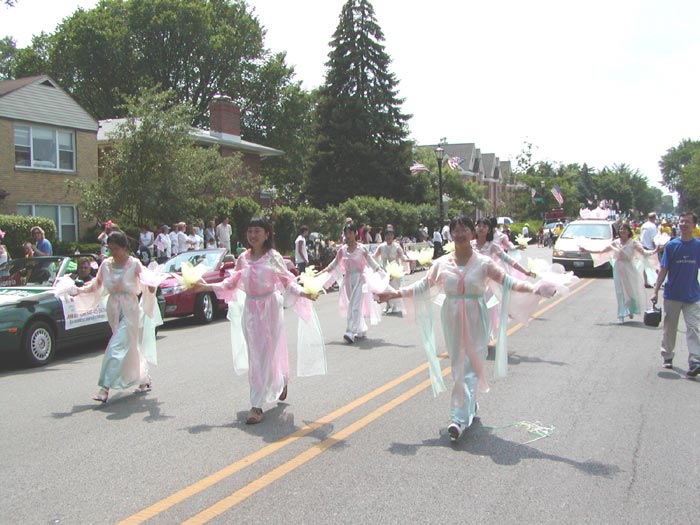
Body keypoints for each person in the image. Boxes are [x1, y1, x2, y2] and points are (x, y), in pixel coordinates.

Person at [376, 215, 557, 441]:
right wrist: (393, 294)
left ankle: (458, 419)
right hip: (452, 319)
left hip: (476, 318)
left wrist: (535, 289)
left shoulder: (484, 263)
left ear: (472, 233)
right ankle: (467, 407)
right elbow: (422, 286)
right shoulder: (442, 263)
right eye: (455, 230)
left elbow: (509, 282)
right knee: (458, 365)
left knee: (471, 365)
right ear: (450, 235)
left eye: (464, 229)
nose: (460, 234)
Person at [194, 217, 325, 425]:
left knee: (267, 353)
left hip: (270, 308)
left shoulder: (273, 257)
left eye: (257, 231)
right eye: (250, 231)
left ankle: (258, 403)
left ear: (267, 234)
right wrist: (205, 287)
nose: (253, 235)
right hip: (251, 310)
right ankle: (272, 387)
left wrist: (305, 292)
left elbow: (287, 282)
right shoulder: (243, 259)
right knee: (255, 355)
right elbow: (231, 283)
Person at [70, 231, 163, 403]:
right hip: (113, 308)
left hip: (130, 309)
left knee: (115, 347)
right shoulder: (106, 264)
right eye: (110, 248)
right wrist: (78, 291)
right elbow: (96, 285)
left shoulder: (134, 264)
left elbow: (148, 284)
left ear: (124, 247)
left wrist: (151, 285)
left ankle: (104, 388)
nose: (113, 252)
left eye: (116, 249)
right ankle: (143, 377)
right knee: (129, 346)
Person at [651, 211, 700, 377]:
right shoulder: (671, 246)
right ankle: (667, 355)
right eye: (681, 221)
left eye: (687, 222)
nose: (683, 224)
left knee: (693, 328)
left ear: (693, 225)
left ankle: (695, 361)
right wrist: (655, 290)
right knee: (669, 328)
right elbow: (663, 269)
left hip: (692, 295)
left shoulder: (698, 246)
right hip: (672, 294)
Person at [318, 223, 385, 344]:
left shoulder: (361, 249)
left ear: (355, 234)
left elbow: (371, 261)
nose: (348, 235)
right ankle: (361, 329)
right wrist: (321, 273)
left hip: (360, 279)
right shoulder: (342, 250)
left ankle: (350, 331)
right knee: (353, 305)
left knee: (354, 305)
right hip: (348, 280)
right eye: (346, 233)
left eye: (350, 233)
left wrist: (380, 271)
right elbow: (334, 264)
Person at [582, 223, 659, 323]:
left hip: (629, 269)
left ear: (629, 231)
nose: (622, 231)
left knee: (631, 291)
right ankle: (621, 315)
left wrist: (655, 250)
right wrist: (587, 250)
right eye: (621, 229)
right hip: (618, 268)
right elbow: (602, 251)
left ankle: (630, 309)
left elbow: (644, 252)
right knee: (620, 292)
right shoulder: (615, 243)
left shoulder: (633, 243)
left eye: (625, 229)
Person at [372, 224, 408, 314]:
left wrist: (407, 259)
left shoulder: (397, 246)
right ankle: (388, 305)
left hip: (395, 271)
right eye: (387, 235)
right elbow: (374, 256)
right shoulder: (381, 246)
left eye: (391, 235)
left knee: (394, 288)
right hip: (384, 271)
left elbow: (402, 256)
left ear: (393, 236)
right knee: (385, 288)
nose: (389, 237)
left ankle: (395, 306)